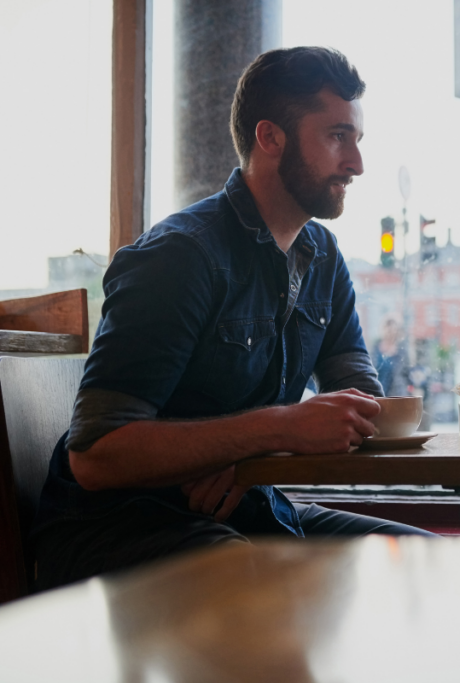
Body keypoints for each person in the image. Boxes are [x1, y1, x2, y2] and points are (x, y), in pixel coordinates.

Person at [31, 46, 433, 591]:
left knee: (426, 559)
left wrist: (250, 454)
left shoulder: (324, 257)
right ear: (270, 138)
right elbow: (97, 456)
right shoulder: (180, 257)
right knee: (249, 575)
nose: (357, 163)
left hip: (246, 508)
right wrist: (275, 429)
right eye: (338, 137)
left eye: (356, 140)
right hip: (112, 527)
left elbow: (357, 400)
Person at [372, 317, 409, 396]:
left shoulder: (402, 351)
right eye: (388, 327)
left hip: (396, 395)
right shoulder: (375, 348)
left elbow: (406, 374)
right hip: (376, 393)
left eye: (393, 328)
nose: (390, 331)